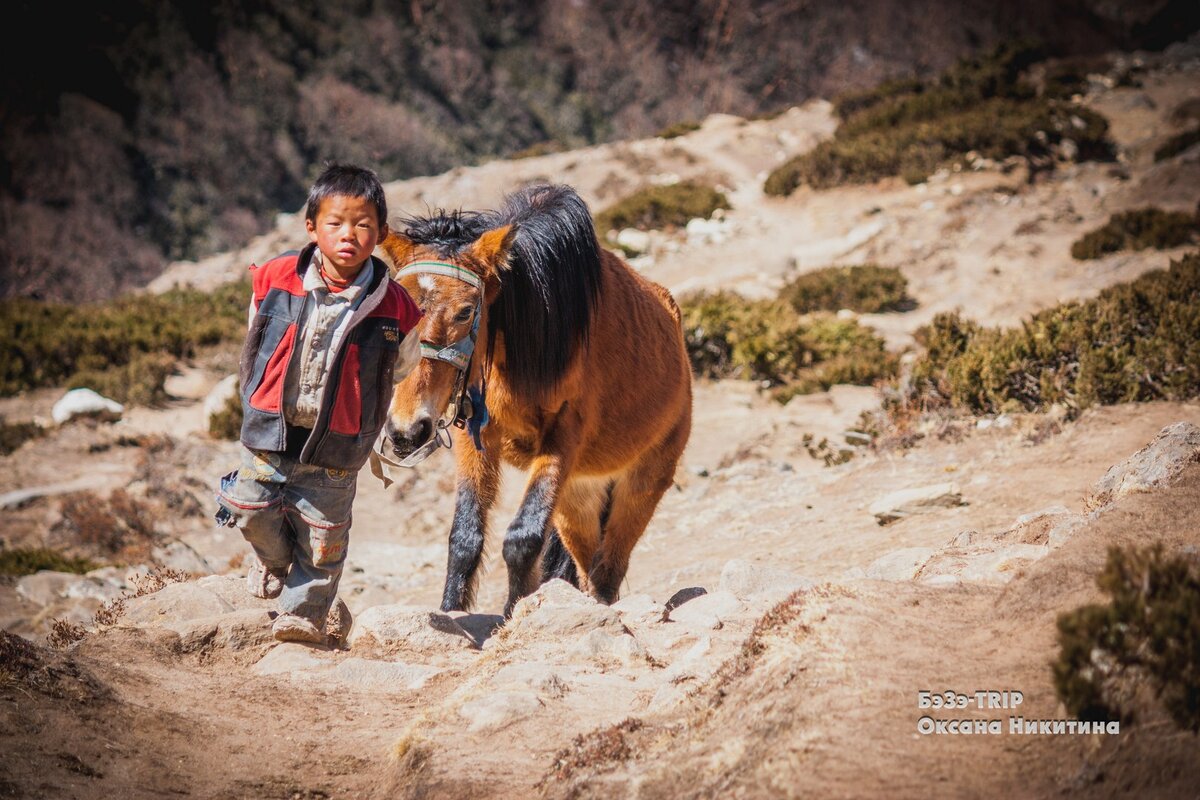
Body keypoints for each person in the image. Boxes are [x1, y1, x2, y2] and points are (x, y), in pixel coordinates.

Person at [214, 163, 422, 644]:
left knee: (324, 537)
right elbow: (256, 337)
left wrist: (361, 402)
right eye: (335, 223)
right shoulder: (275, 278)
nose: (349, 234)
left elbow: (404, 364)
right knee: (248, 507)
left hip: (339, 442)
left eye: (364, 224)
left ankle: (303, 615)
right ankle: (272, 562)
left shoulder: (395, 308)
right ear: (312, 227)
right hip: (272, 428)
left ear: (381, 233)